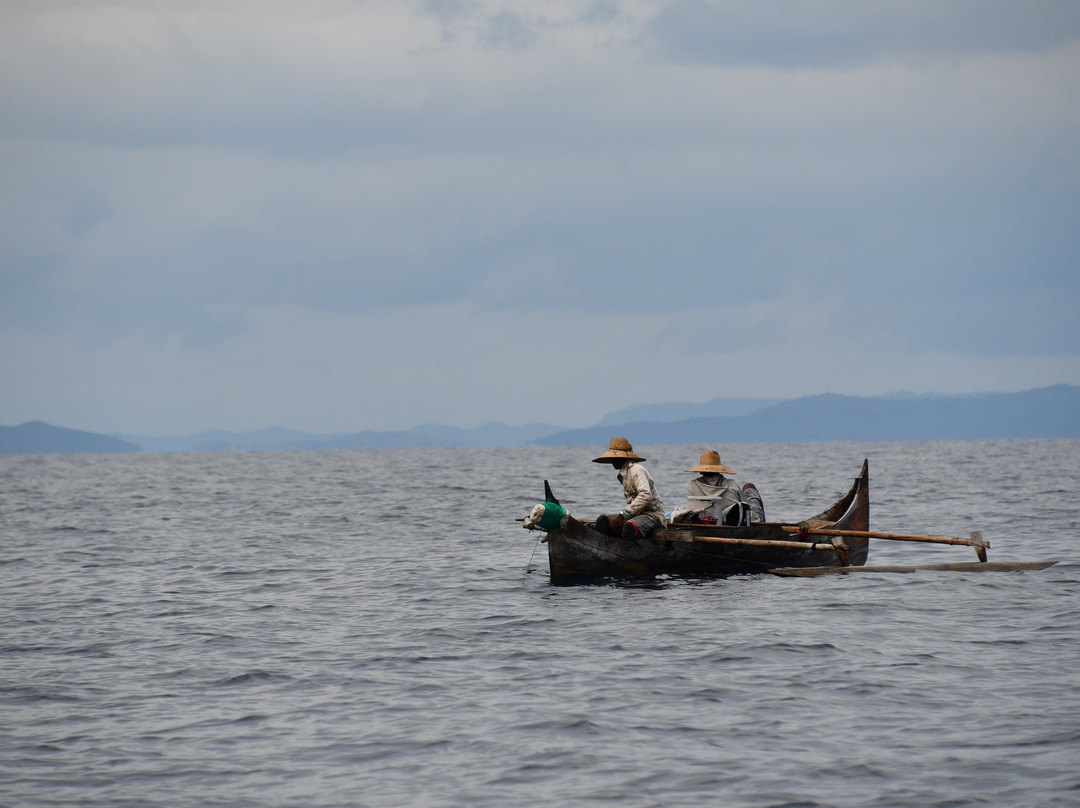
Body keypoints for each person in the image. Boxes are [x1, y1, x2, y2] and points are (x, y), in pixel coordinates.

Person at [592, 437, 668, 541]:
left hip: (653, 516)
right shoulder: (625, 472)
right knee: (603, 521)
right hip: (637, 515)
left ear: (622, 458)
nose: (612, 461)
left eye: (615, 458)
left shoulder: (636, 470)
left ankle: (627, 552)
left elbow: (645, 495)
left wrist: (624, 514)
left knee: (629, 527)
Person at [672, 450, 766, 525]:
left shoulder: (691, 485)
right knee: (749, 487)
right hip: (744, 520)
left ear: (701, 471)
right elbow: (745, 506)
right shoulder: (732, 484)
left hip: (707, 521)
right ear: (719, 470)